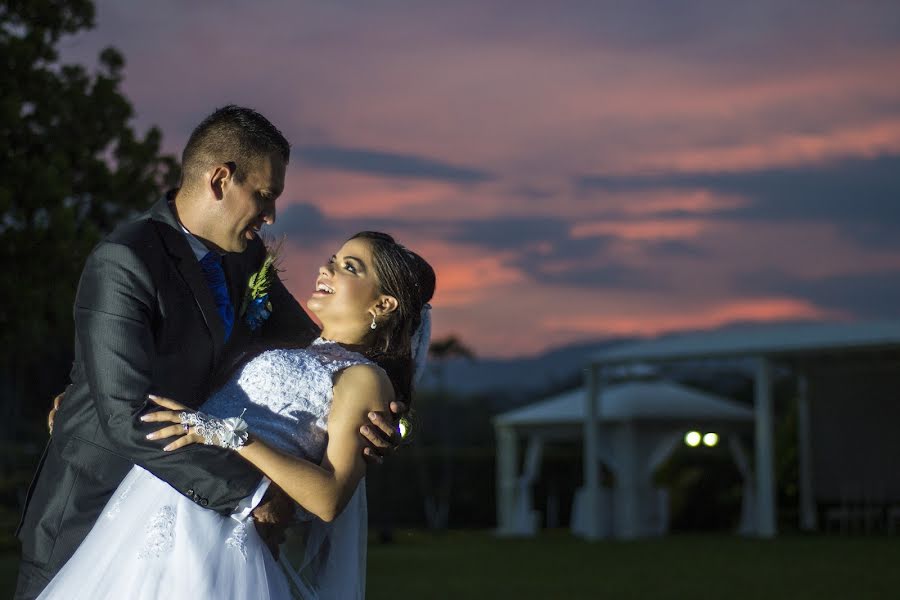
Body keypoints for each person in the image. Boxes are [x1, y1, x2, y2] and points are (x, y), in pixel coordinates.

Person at [15, 106, 400, 599]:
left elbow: (318, 354)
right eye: (264, 195)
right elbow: (126, 415)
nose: (271, 215)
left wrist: (381, 414)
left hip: (196, 525)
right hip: (93, 505)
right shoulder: (126, 260)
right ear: (221, 179)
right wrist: (253, 494)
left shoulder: (247, 257)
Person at [37, 231, 436, 599]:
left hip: (223, 526)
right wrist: (87, 396)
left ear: (383, 305)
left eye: (349, 266)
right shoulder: (303, 347)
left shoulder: (365, 377)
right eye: (333, 259)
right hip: (158, 497)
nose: (325, 268)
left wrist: (231, 436)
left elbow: (328, 498)